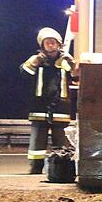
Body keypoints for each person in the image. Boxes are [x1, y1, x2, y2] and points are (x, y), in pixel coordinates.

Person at [20, 27, 76, 174]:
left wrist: (72, 64)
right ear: (42, 45)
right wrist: (35, 61)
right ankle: (35, 169)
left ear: (59, 44)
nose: (50, 45)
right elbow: (23, 74)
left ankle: (63, 168)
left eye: (53, 42)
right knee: (38, 141)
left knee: (62, 142)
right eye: (47, 43)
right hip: (39, 107)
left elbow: (77, 76)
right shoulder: (36, 61)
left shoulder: (65, 61)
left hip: (61, 108)